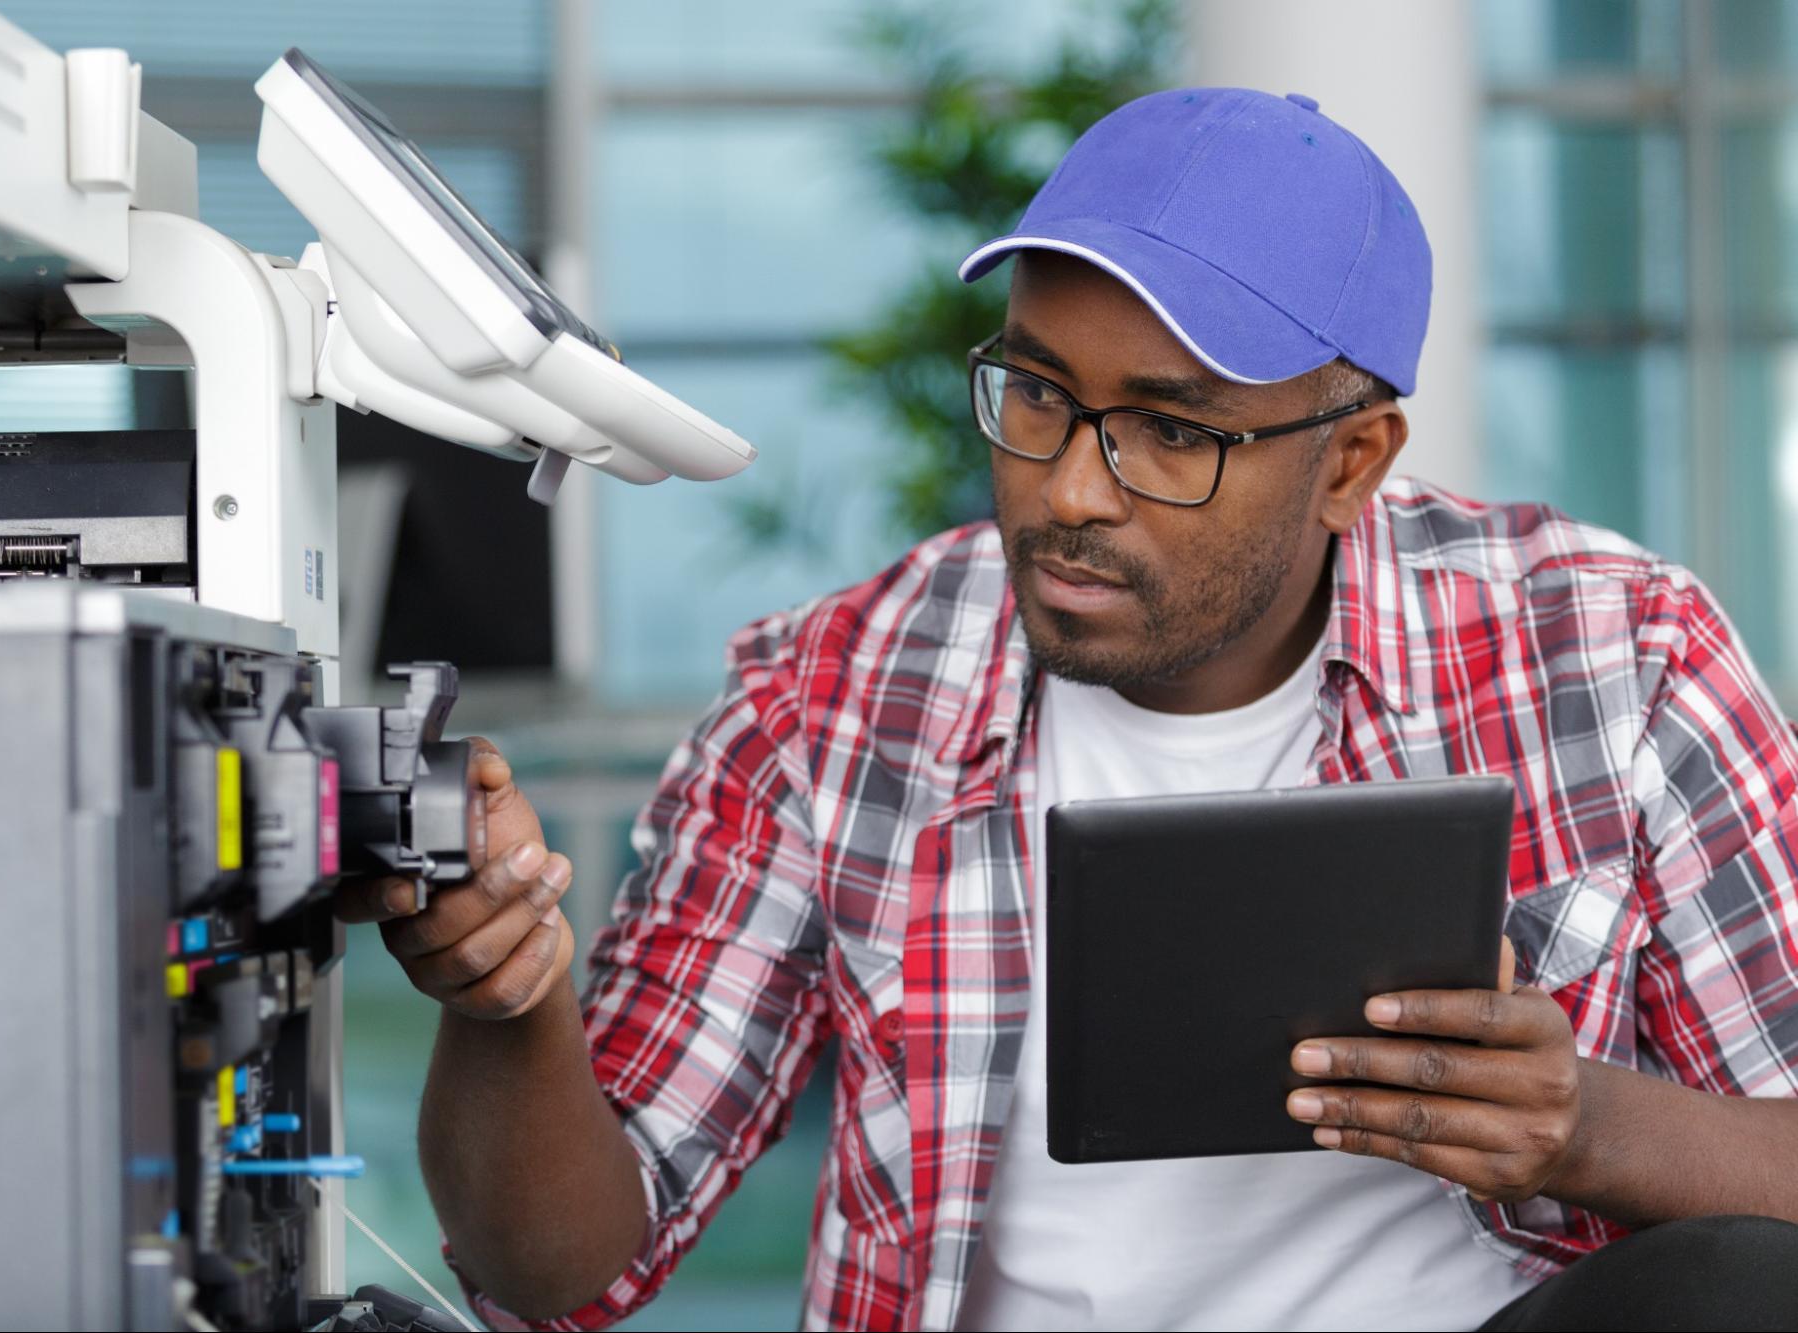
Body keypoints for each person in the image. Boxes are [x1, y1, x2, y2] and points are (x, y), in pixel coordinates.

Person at [337, 89, 1798, 1331]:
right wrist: (508, 1005)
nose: (1073, 489)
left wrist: (1580, 1123)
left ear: (1352, 462)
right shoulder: (832, 693)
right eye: (1036, 394)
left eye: (1169, 429)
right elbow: (564, 1273)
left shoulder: (1615, 656)